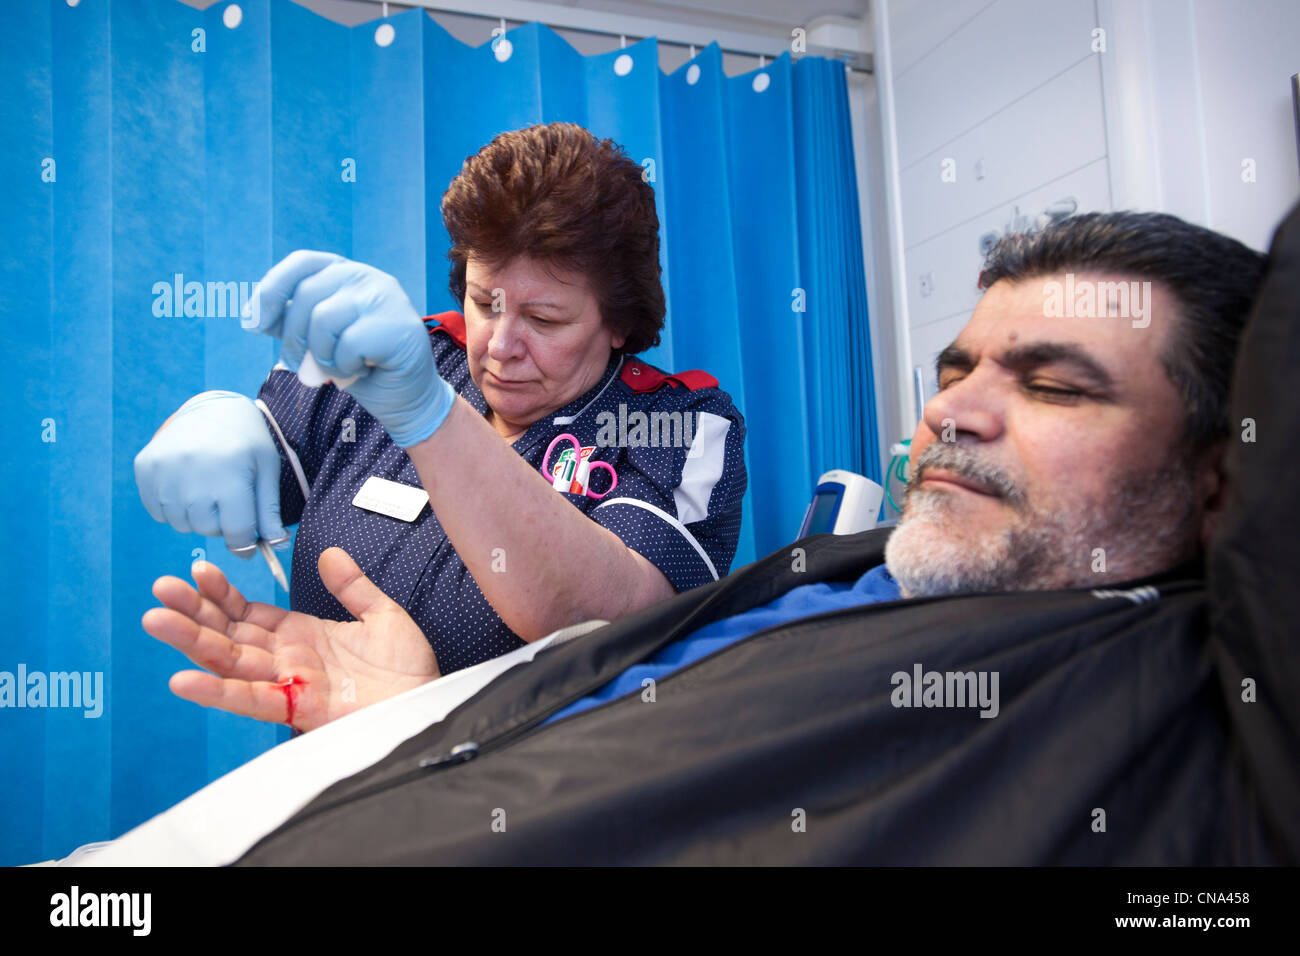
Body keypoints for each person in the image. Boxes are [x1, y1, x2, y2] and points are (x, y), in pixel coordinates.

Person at [142, 206, 1299, 864]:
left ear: (1220, 474)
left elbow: (609, 606)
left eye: (1053, 384)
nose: (954, 409)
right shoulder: (860, 576)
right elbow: (614, 686)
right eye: (954, 368)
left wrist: (424, 419)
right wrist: (428, 709)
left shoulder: (1131, 711)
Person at [133, 123, 748, 713]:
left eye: (545, 320)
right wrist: (212, 419)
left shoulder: (678, 424)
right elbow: (267, 443)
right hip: (327, 778)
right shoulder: (410, 356)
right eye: (485, 304)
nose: (501, 346)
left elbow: (620, 617)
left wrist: (431, 419)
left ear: (619, 323)